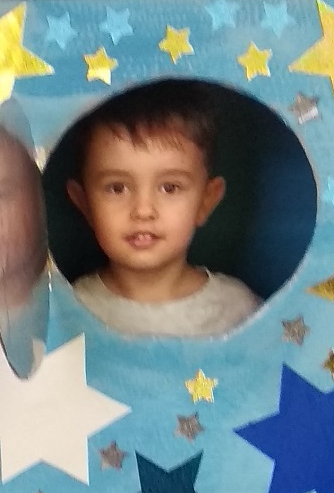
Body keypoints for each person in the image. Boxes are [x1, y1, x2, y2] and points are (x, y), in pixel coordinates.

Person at [65, 82, 261, 337]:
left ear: (205, 201)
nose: (143, 211)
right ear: (85, 204)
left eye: (169, 188)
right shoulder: (68, 309)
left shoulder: (237, 311)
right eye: (117, 188)